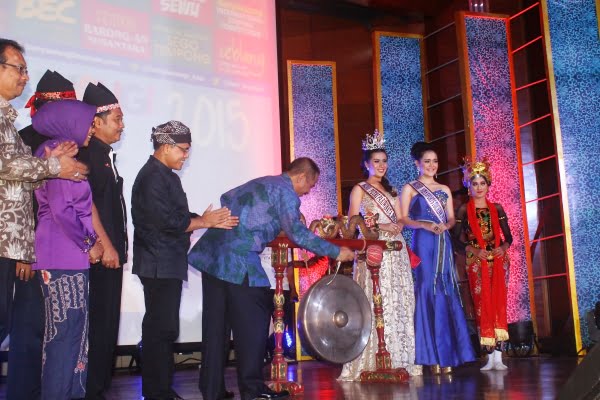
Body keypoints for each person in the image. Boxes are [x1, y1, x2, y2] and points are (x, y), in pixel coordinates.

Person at [188, 157, 355, 400]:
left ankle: (212, 391)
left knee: (216, 330)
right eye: (310, 185)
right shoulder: (285, 192)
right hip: (238, 261)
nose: (308, 191)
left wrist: (268, 225)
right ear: (301, 177)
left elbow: (227, 198)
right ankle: (253, 390)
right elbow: (298, 234)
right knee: (254, 327)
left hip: (213, 257)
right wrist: (336, 251)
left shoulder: (263, 182)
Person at [131, 120, 238, 400]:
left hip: (166, 262)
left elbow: (176, 216)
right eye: (183, 149)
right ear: (166, 147)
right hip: (157, 263)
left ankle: (162, 390)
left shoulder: (166, 175)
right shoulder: (152, 177)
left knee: (165, 329)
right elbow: (165, 221)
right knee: (160, 330)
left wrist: (203, 220)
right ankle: (157, 393)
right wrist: (203, 222)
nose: (186, 155)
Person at [0, 38, 87, 359]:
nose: (25, 77)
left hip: (9, 243)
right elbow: (6, 165)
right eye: (19, 69)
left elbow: (17, 174)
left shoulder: (8, 122)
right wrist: (54, 167)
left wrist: (50, 163)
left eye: (26, 71)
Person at [8, 69, 78, 400]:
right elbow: (23, 201)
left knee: (54, 330)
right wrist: (25, 253)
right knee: (29, 329)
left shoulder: (66, 144)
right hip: (31, 251)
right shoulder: (24, 139)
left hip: (57, 255)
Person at [31, 99, 104, 399]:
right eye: (89, 123)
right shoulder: (57, 152)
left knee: (73, 335)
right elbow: (61, 209)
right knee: (64, 336)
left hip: (68, 255)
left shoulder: (61, 151)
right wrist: (89, 243)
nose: (92, 129)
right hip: (61, 255)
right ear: (71, 122)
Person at [339, 130, 421, 380]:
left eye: (384, 161)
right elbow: (352, 222)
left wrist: (399, 225)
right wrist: (381, 226)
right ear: (366, 164)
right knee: (378, 298)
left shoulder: (392, 190)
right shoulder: (360, 189)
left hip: (396, 248)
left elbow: (401, 217)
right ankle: (374, 357)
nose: (382, 165)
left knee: (399, 298)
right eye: (376, 161)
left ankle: (400, 357)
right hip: (374, 247)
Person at [399, 141, 475, 374]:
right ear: (417, 163)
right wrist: (423, 224)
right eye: (427, 161)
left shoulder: (444, 189)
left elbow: (451, 218)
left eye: (435, 161)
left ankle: (448, 354)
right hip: (423, 241)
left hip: (442, 240)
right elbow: (403, 219)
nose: (431, 165)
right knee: (426, 287)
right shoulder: (410, 188)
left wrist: (446, 226)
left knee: (445, 287)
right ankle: (430, 356)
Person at [80, 82, 128, 400]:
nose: (122, 125)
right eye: (117, 119)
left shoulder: (105, 156)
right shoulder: (87, 156)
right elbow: (85, 207)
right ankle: (91, 390)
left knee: (108, 325)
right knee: (97, 326)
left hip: (112, 255)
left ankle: (99, 388)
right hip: (98, 256)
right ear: (96, 122)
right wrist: (102, 245)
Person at [453, 158, 512, 371]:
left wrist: (503, 248)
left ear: (488, 185)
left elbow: (509, 237)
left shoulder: (497, 208)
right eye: (474, 183)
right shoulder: (463, 210)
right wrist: (473, 249)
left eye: (482, 183)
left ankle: (499, 356)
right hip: (477, 263)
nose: (479, 187)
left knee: (498, 304)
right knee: (481, 306)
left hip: (498, 261)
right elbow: (455, 240)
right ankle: (488, 356)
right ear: (468, 186)